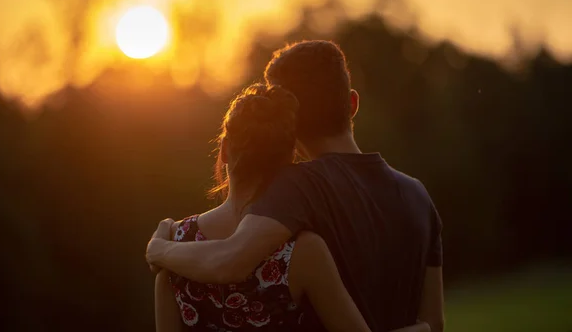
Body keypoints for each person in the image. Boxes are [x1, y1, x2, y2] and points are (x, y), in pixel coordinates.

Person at [147, 41, 444, 331]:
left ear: (290, 117)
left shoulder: (299, 185)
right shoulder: (418, 194)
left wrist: (160, 249)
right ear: (352, 103)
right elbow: (435, 322)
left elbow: (231, 259)